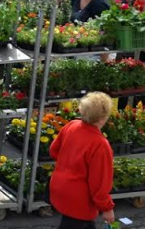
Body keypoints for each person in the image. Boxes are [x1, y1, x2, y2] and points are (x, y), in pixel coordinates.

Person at [49, 92, 116, 228]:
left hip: (59, 188)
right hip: (80, 200)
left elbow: (53, 150)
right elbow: (99, 183)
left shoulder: (72, 125)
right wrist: (107, 208)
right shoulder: (100, 145)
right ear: (102, 119)